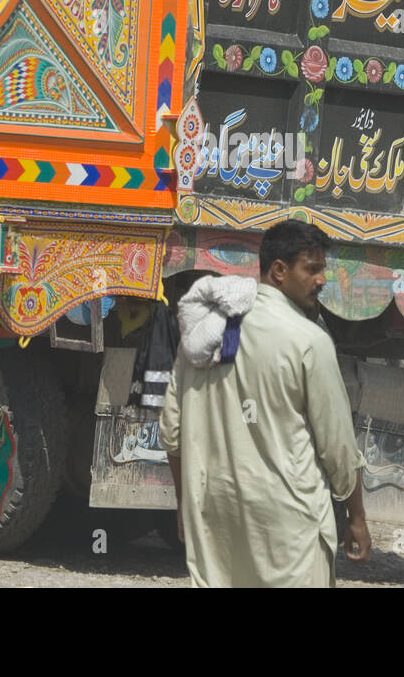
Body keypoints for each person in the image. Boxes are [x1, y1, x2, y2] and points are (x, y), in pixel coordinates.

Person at [159, 219, 370, 587]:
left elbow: (173, 434)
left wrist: (184, 506)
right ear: (279, 271)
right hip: (288, 525)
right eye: (313, 269)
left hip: (215, 516)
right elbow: (338, 447)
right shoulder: (308, 341)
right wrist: (357, 518)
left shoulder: (200, 337)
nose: (322, 280)